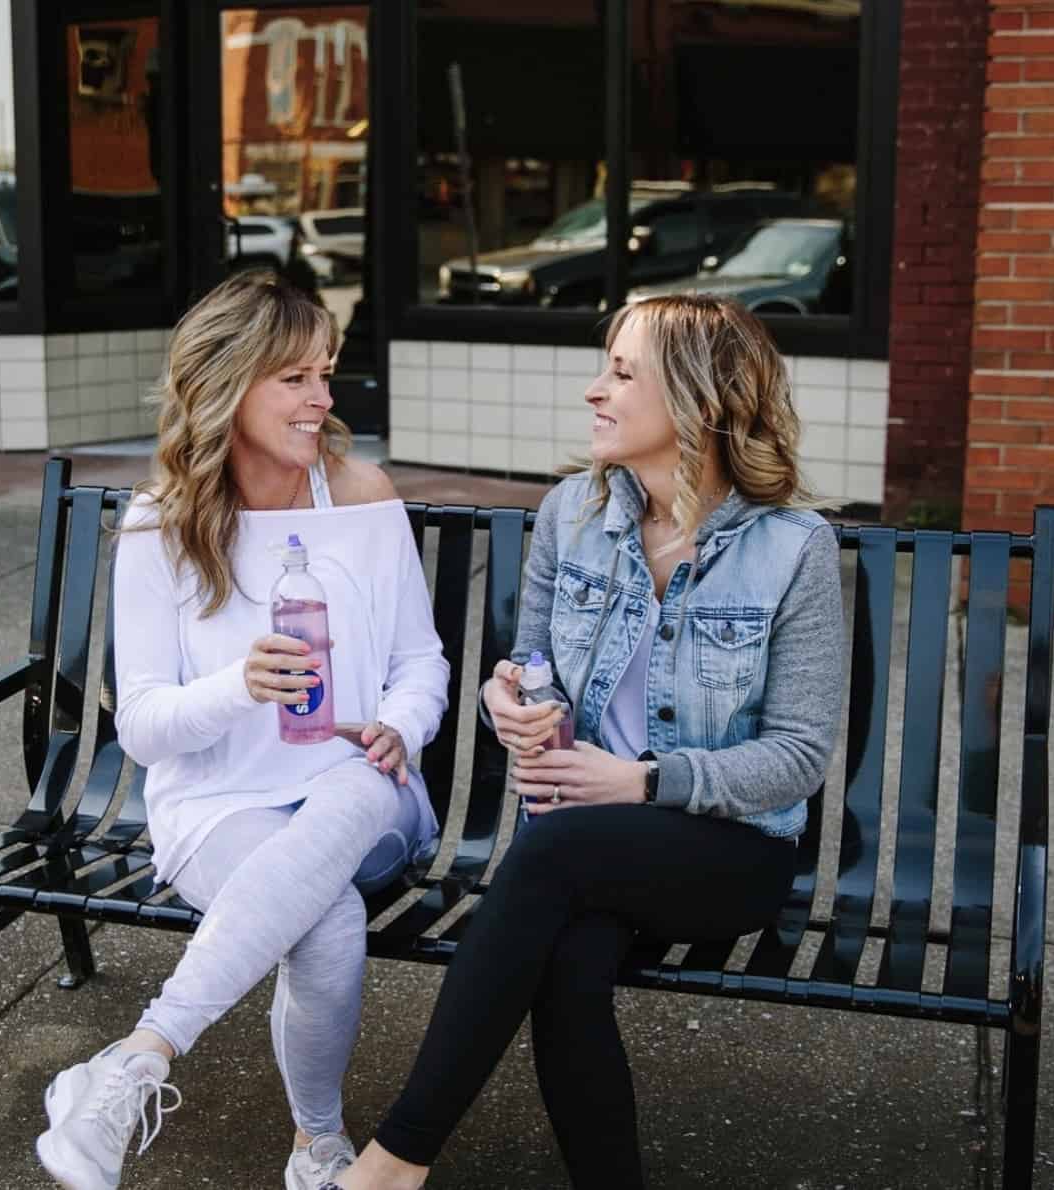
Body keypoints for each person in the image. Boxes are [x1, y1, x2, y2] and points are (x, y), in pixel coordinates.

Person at [331, 294, 846, 1190]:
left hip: (724, 850)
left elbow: (798, 757)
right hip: (579, 841)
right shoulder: (574, 511)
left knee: (556, 856)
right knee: (568, 960)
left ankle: (396, 1160)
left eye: (620, 372)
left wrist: (643, 782)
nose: (592, 390)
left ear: (702, 399)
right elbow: (533, 662)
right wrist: (512, 697)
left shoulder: (793, 549)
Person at [34, 271, 449, 1190]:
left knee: (347, 788)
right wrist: (238, 686)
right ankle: (317, 1145)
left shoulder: (359, 494)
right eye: (295, 378)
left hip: (370, 792)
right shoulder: (162, 527)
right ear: (228, 382)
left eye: (326, 374)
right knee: (325, 917)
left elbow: (425, 662)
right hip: (221, 805)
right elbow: (140, 727)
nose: (322, 400)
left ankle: (140, 1055)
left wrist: (398, 724)